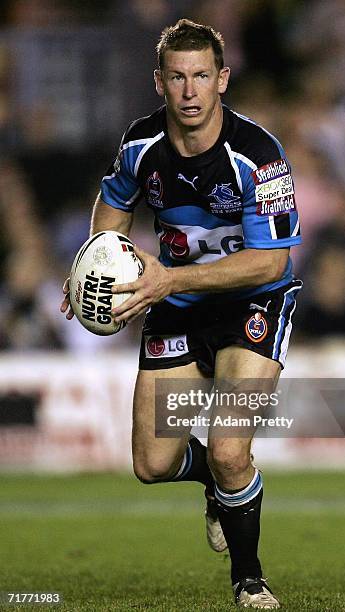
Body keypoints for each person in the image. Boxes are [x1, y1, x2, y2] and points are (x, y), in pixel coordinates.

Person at [61, 19, 302, 609]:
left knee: (228, 449)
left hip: (254, 305)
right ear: (159, 83)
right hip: (177, 308)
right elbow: (114, 205)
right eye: (177, 77)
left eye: (201, 76)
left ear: (222, 79)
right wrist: (95, 266)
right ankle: (220, 494)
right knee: (151, 463)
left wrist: (168, 277)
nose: (190, 91)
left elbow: (270, 265)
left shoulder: (260, 157)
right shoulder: (140, 146)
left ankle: (250, 580)